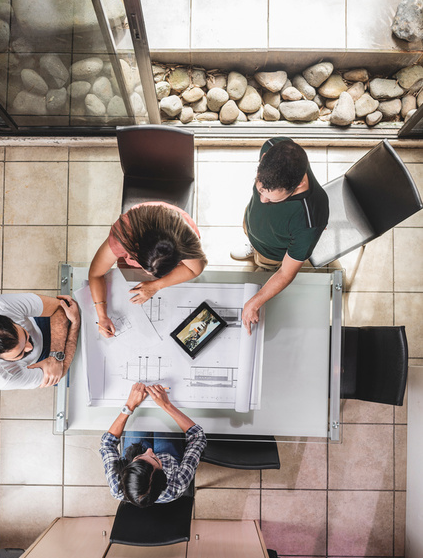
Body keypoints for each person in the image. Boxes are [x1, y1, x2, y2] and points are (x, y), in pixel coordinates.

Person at [230, 137, 329, 335]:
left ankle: (261, 259)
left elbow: (285, 272)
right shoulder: (273, 148)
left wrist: (255, 301)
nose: (262, 199)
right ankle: (252, 245)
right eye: (260, 190)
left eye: (271, 199)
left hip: (272, 249)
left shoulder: (310, 219)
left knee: (266, 263)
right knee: (250, 229)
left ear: (299, 185)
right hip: (253, 223)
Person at [89, 201, 207, 337]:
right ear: (136, 247)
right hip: (132, 263)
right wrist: (102, 315)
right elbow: (95, 274)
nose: (147, 275)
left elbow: (196, 269)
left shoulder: (184, 240)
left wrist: (156, 285)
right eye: (146, 269)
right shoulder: (123, 236)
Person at [99, 383, 207, 507]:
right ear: (163, 475)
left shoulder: (117, 485)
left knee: (140, 416)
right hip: (170, 456)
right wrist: (166, 405)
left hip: (134, 451)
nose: (149, 450)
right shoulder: (176, 484)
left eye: (139, 459)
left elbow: (107, 444)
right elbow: (198, 438)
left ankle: (145, 459)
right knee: (164, 418)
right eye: (155, 459)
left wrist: (129, 406)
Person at [0, 293, 80, 390]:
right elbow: (59, 373)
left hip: (39, 326)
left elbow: (60, 307)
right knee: (83, 376)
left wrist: (55, 356)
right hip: (40, 361)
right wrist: (75, 325)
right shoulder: (4, 378)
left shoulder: (2, 305)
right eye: (20, 353)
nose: (30, 347)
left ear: (11, 320)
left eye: (25, 336)